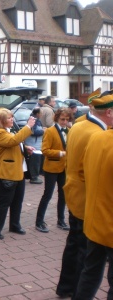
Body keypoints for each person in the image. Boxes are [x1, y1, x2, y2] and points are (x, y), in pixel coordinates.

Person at [55, 88, 113, 298]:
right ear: (108, 112)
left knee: (75, 247)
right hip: (89, 199)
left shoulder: (79, 125)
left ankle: (66, 287)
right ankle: (74, 289)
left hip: (75, 193)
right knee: (83, 252)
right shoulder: (97, 133)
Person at [75, 93, 113, 299]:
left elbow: (82, 172)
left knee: (90, 272)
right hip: (110, 224)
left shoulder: (96, 137)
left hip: (94, 220)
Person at [0, 108, 35, 240]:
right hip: (7, 173)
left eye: (11, 117)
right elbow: (12, 141)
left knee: (17, 201)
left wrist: (25, 148)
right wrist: (28, 126)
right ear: (2, 121)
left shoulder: (9, 131)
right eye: (9, 118)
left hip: (18, 171)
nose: (12, 120)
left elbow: (15, 143)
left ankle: (14, 224)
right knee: (4, 202)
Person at [35, 108, 72, 233]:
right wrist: (60, 153)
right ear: (57, 118)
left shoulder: (69, 130)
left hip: (64, 167)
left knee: (63, 195)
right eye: (62, 119)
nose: (64, 122)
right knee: (48, 194)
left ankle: (61, 220)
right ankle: (39, 221)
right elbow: (45, 150)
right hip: (52, 167)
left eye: (67, 119)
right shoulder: (50, 131)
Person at [25, 107, 44, 184]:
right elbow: (32, 132)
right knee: (35, 161)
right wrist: (43, 131)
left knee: (35, 161)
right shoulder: (34, 120)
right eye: (41, 113)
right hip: (33, 145)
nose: (42, 115)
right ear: (38, 114)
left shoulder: (35, 120)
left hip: (35, 144)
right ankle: (34, 177)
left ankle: (33, 176)